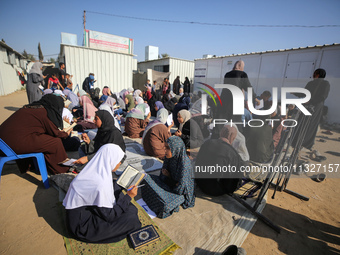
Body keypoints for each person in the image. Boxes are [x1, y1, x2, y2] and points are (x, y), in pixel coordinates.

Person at [63, 144, 141, 243]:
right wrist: (129, 196)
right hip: (82, 228)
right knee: (131, 218)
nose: (119, 164)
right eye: (119, 161)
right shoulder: (100, 184)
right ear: (112, 160)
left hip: (80, 216)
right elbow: (110, 216)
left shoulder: (91, 170)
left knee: (126, 204)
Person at [0, 94, 71, 174]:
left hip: (3, 143)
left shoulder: (31, 108)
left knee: (37, 137)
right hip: (12, 144)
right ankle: (62, 170)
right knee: (54, 142)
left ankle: (30, 166)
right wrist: (65, 134)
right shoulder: (44, 112)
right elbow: (55, 133)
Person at [141, 136, 195, 218]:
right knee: (145, 178)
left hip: (178, 192)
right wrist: (166, 177)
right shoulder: (169, 157)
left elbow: (181, 190)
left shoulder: (185, 165)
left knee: (165, 205)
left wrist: (169, 177)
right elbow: (162, 177)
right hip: (168, 184)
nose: (165, 151)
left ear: (175, 149)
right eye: (165, 147)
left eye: (167, 148)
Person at [195, 125, 243, 196]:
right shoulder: (233, 153)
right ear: (233, 137)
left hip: (200, 184)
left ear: (221, 133)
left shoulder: (206, 143)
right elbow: (233, 180)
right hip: (218, 190)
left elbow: (197, 163)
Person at [293, 68, 330, 150]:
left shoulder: (325, 84)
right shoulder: (310, 83)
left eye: (316, 74)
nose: (314, 75)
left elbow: (323, 96)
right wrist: (295, 92)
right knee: (300, 122)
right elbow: (304, 92)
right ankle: (295, 141)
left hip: (316, 107)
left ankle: (305, 143)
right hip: (306, 105)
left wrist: (311, 101)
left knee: (310, 125)